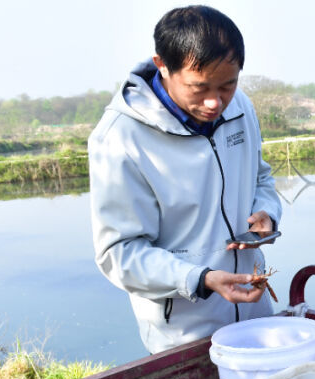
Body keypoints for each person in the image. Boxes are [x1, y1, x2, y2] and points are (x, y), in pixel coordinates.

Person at [89, 5, 281, 354]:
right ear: (162, 65)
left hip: (256, 317)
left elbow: (260, 178)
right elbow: (119, 253)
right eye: (199, 87)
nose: (214, 102)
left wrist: (266, 212)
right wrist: (200, 278)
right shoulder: (120, 138)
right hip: (185, 333)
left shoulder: (240, 109)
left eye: (228, 84)